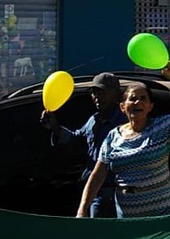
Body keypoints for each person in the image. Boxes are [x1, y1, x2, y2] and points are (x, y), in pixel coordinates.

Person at [77, 61, 170, 218]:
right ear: (123, 107)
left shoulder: (163, 127)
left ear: (150, 106)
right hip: (127, 218)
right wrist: (82, 211)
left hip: (160, 215)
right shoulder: (113, 136)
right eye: (133, 98)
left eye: (143, 99)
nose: (138, 102)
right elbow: (97, 176)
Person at [41, 72, 126, 218]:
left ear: (116, 94)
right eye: (94, 92)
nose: (97, 97)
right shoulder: (93, 120)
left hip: (117, 193)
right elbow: (77, 139)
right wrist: (55, 128)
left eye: (103, 92)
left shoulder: (125, 121)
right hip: (94, 193)